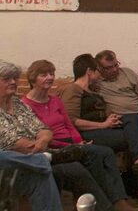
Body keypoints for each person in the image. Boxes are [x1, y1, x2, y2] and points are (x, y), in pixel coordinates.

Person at [0, 60, 129, 211]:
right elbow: (11, 142)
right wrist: (42, 145)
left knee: (97, 154)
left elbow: (44, 129)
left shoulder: (18, 104)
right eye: (7, 79)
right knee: (72, 168)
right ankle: (104, 207)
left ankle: (114, 203)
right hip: (18, 160)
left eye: (15, 78)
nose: (13, 82)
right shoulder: (25, 101)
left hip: (43, 151)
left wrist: (43, 140)